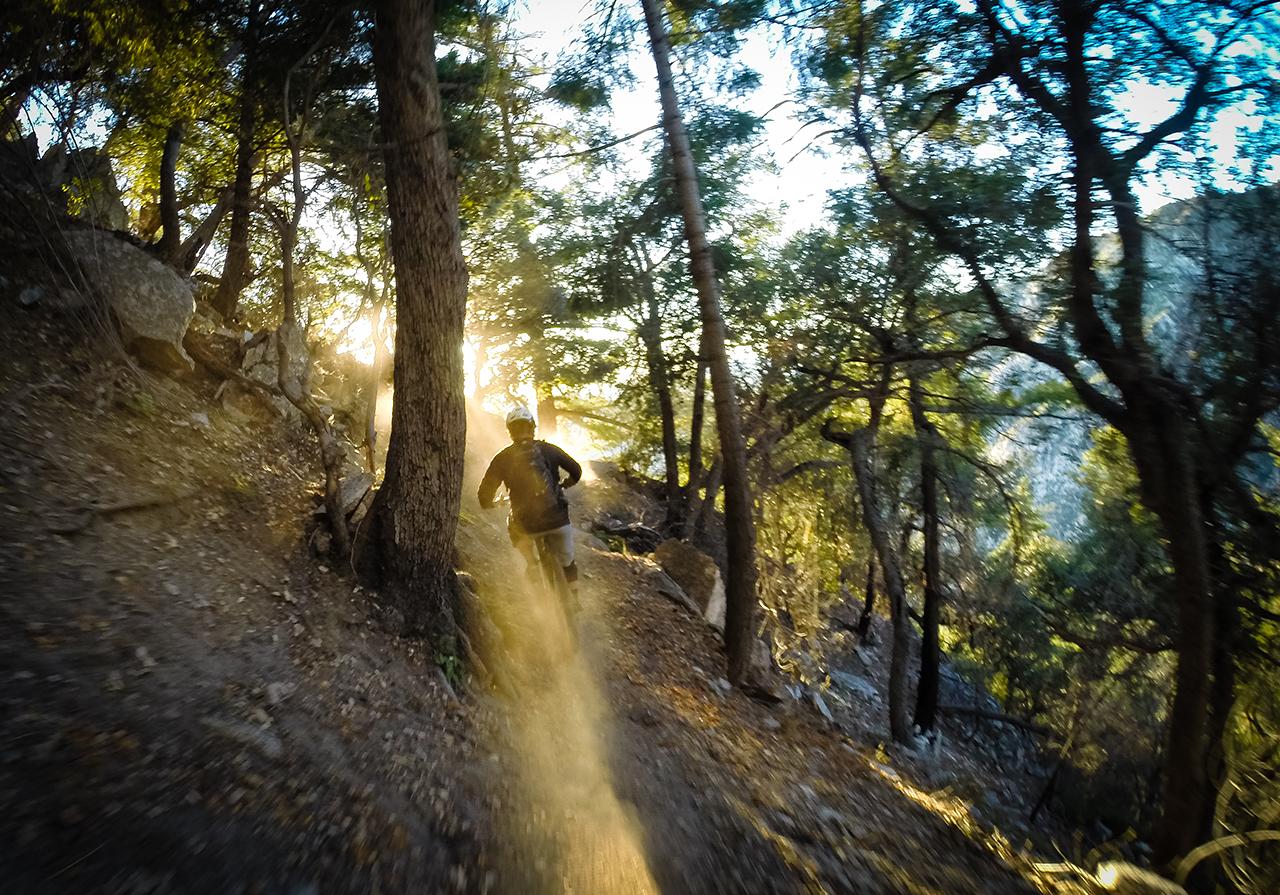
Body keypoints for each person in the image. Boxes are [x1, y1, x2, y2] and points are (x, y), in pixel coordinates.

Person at [477, 406, 583, 608]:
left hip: (526, 526)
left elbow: (484, 495)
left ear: (510, 431)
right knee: (568, 559)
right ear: (532, 427)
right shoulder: (549, 449)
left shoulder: (502, 458)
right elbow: (576, 470)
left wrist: (490, 503)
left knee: (515, 527)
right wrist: (566, 483)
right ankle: (575, 595)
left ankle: (532, 563)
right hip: (557, 520)